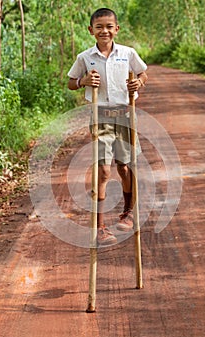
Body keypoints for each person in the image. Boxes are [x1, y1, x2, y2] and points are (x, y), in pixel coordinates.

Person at [68, 8, 148, 246]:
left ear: (116, 29)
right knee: (103, 170)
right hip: (100, 116)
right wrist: (83, 81)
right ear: (91, 30)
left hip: (124, 115)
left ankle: (128, 212)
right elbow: (71, 82)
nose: (105, 31)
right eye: (99, 27)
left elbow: (143, 73)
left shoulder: (127, 53)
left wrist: (138, 82)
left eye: (109, 26)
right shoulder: (85, 57)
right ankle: (101, 227)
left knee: (124, 167)